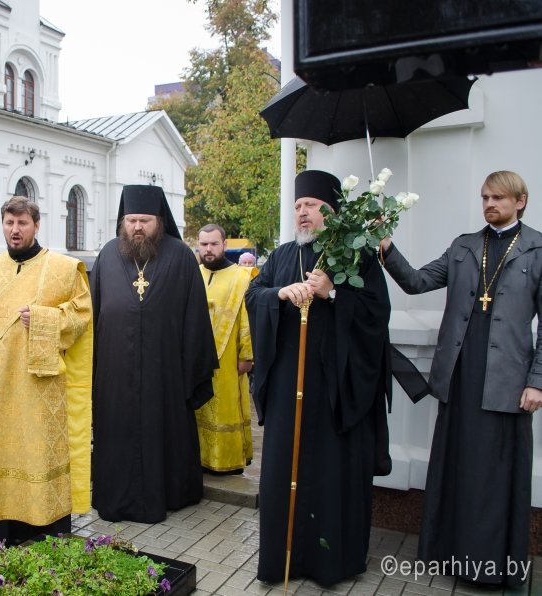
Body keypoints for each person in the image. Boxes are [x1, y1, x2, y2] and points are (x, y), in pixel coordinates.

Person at [379, 170, 542, 588]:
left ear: (520, 201)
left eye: (498, 198)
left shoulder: (537, 249)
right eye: (485, 197)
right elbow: (416, 282)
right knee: (456, 467)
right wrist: (387, 247)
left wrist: (537, 381)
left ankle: (490, 566)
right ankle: (446, 555)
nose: (489, 204)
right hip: (460, 378)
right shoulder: (464, 247)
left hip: (507, 383)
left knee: (493, 475)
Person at [245, 170, 391, 587]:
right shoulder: (282, 256)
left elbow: (377, 315)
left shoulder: (356, 256)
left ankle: (331, 564)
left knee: (330, 474)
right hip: (287, 384)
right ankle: (282, 560)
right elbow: (253, 295)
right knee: (283, 471)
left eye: (310, 205)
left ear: (332, 210)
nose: (302, 213)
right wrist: (278, 294)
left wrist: (333, 294)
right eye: (297, 206)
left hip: (335, 391)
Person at [0, 196, 93, 550]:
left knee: (36, 451)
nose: (15, 230)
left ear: (36, 225)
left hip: (40, 385)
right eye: (9, 223)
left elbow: (82, 315)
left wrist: (45, 318)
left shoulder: (63, 268)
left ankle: (39, 529)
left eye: (22, 223)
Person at [90, 185, 218, 523]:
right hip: (115, 373)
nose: (137, 227)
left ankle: (171, 492)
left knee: (163, 430)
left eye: (144, 220)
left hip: (166, 374)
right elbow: (93, 313)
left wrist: (190, 372)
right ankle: (114, 495)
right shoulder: (107, 255)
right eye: (131, 220)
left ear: (159, 221)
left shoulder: (181, 256)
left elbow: (195, 319)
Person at [196, 223, 255, 474]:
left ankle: (227, 462)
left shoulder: (242, 277)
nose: (208, 249)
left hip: (229, 357)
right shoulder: (194, 273)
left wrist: (247, 355)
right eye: (204, 244)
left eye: (214, 244)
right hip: (196, 357)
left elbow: (247, 318)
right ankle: (199, 458)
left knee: (226, 407)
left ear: (224, 245)